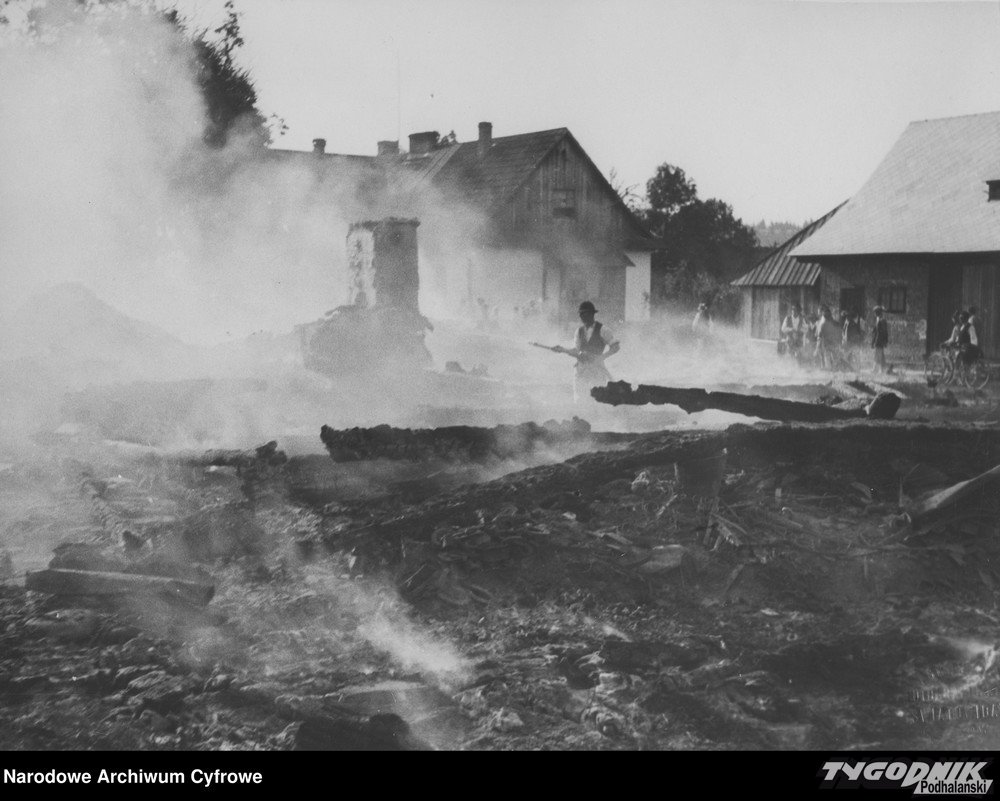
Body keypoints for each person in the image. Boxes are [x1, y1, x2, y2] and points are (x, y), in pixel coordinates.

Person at [568, 300, 620, 402]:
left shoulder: (603, 330)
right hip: (582, 369)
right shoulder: (578, 331)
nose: (582, 317)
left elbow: (615, 347)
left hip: (596, 369)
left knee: (598, 397)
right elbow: (576, 350)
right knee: (580, 398)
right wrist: (562, 350)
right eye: (581, 314)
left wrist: (602, 357)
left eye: (584, 314)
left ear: (592, 314)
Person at [871, 305, 889, 373]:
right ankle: (883, 369)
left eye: (875, 312)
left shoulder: (881, 320)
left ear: (877, 313)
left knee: (877, 356)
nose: (874, 314)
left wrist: (877, 341)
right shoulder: (878, 319)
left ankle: (875, 370)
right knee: (881, 356)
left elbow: (883, 332)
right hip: (879, 340)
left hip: (879, 341)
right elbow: (876, 332)